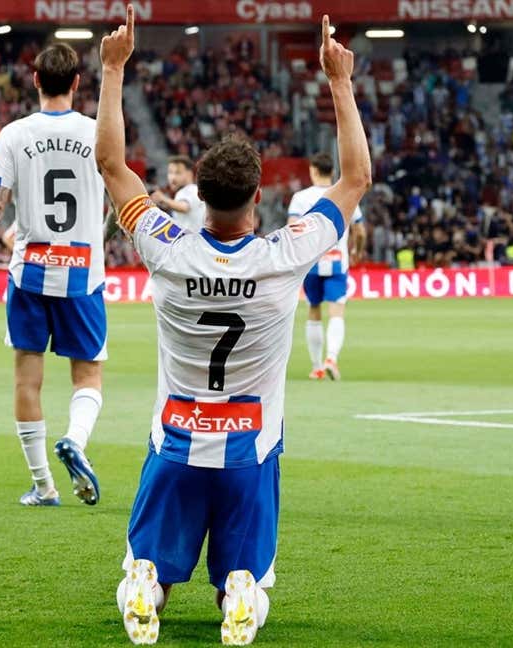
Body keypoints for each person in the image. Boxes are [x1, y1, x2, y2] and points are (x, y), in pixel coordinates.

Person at [95, 8, 370, 645]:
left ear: (200, 195)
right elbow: (355, 177)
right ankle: (240, 591)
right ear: (258, 195)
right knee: (249, 569)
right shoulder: (285, 254)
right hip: (252, 445)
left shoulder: (166, 244)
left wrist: (112, 69)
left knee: (149, 558)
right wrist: (339, 81)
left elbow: (112, 166)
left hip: (175, 440)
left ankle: (146, 586)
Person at [0, 43, 107, 508]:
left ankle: (44, 486)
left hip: (31, 272)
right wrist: (100, 236)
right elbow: (121, 202)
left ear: (36, 81)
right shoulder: (99, 132)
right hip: (83, 272)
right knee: (88, 377)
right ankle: (76, 441)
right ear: (78, 83)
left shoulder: (14, 134)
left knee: (27, 381)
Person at [287, 152, 366, 380]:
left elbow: (292, 229)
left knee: (313, 310)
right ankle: (332, 358)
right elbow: (360, 230)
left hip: (311, 263)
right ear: (332, 172)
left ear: (313, 171)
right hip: (337, 262)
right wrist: (357, 250)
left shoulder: (300, 198)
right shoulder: (345, 195)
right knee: (337, 311)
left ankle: (316, 366)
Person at [151, 155, 206, 232]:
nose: (172, 177)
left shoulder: (187, 190)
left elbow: (184, 207)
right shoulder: (195, 189)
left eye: (178, 173)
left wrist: (162, 198)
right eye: (170, 172)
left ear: (189, 174)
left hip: (191, 241)